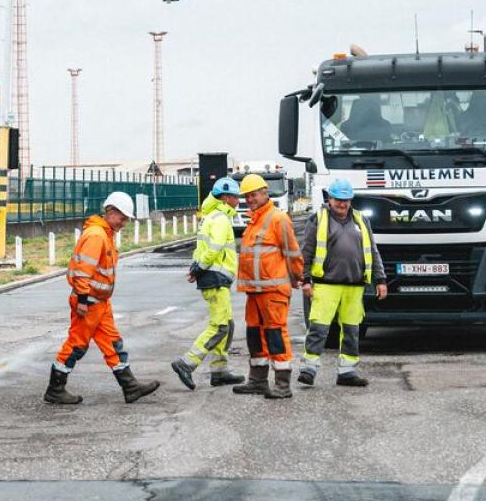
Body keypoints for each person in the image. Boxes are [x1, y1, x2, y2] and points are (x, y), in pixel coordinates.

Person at [44, 192, 163, 406]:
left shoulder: (105, 234)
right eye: (123, 217)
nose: (125, 222)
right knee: (76, 345)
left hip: (99, 302)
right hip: (88, 302)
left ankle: (130, 387)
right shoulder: (97, 235)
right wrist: (82, 299)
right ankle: (55, 389)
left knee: (112, 343)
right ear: (111, 212)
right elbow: (83, 271)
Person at [297, 178, 388, 387]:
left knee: (351, 330)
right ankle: (309, 369)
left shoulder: (361, 221)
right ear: (330, 198)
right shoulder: (318, 219)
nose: (343, 204)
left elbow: (373, 252)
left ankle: (347, 372)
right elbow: (307, 251)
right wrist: (306, 279)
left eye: (346, 200)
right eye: (339, 199)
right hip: (326, 284)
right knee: (318, 328)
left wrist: (380, 279)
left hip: (354, 286)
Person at [170, 177, 246, 389]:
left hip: (212, 276)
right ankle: (187, 363)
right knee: (220, 326)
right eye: (236, 197)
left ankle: (219, 371)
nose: (238, 201)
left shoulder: (210, 216)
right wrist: (201, 268)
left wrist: (196, 268)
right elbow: (214, 248)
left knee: (227, 324)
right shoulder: (220, 219)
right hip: (216, 278)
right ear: (226, 197)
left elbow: (200, 249)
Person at [233, 173, 303, 399]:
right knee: (255, 335)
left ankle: (282, 384)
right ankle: (257, 380)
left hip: (272, 291)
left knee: (275, 334)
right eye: (247, 196)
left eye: (253, 195)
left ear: (264, 192)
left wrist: (298, 277)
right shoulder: (255, 219)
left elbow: (292, 252)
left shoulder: (278, 219)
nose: (250, 199)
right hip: (254, 291)